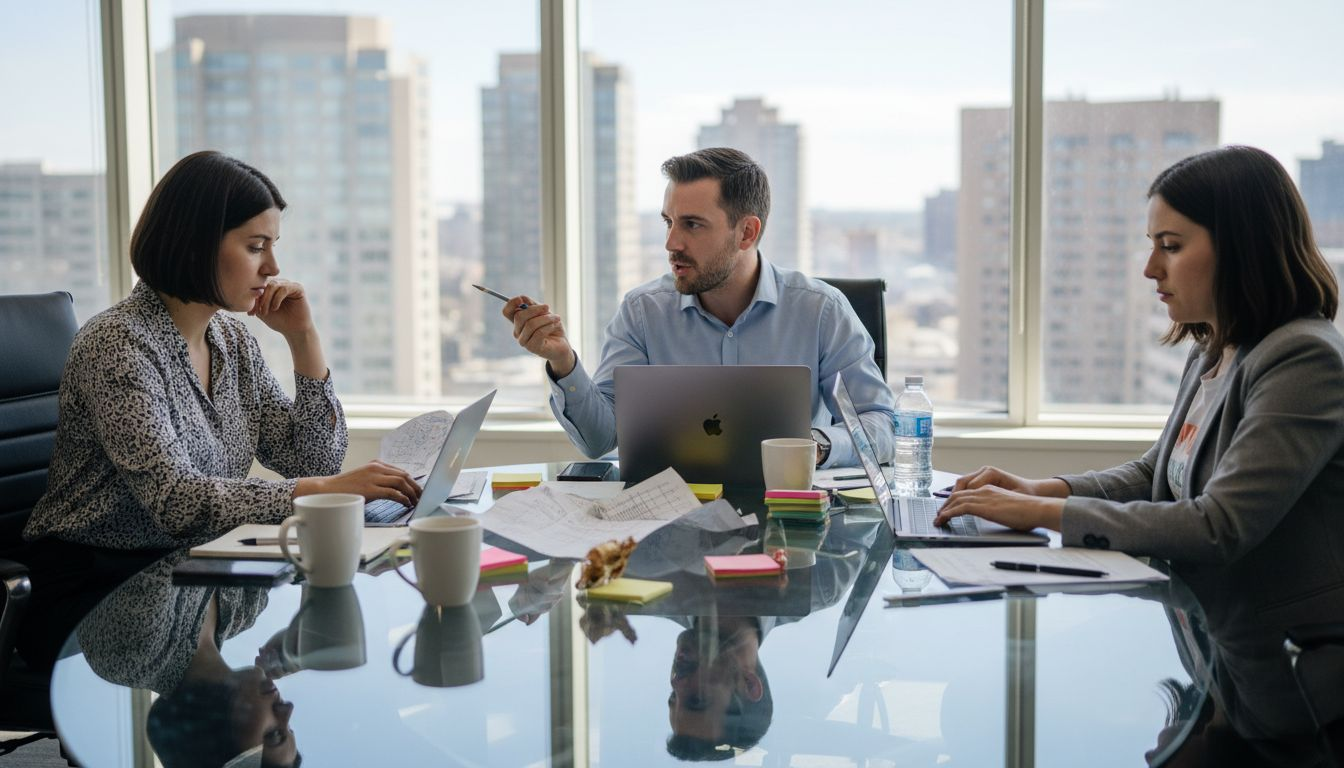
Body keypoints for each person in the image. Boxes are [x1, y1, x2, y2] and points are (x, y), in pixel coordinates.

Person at [934, 146, 1344, 727]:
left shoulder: (1304, 358)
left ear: (1243, 246)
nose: (1150, 268)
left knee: (1009, 703)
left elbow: (1217, 525)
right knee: (989, 691)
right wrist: (1039, 488)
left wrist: (1036, 512)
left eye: (1171, 247)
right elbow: (1157, 475)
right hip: (1211, 643)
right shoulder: (1216, 347)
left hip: (1286, 674)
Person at [24, 151, 420, 550]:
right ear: (195, 244)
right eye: (256, 247)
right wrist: (322, 489)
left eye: (273, 246)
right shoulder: (116, 344)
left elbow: (314, 462)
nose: (272, 267)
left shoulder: (233, 342)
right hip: (93, 578)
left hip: (194, 565)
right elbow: (176, 501)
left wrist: (304, 339)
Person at [502, 147, 896, 468]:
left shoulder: (821, 311)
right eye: (668, 222)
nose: (671, 243)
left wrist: (819, 445)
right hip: (669, 521)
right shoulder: (643, 312)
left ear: (746, 232)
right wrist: (563, 362)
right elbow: (601, 440)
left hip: (789, 519)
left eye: (692, 224)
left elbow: (882, 426)